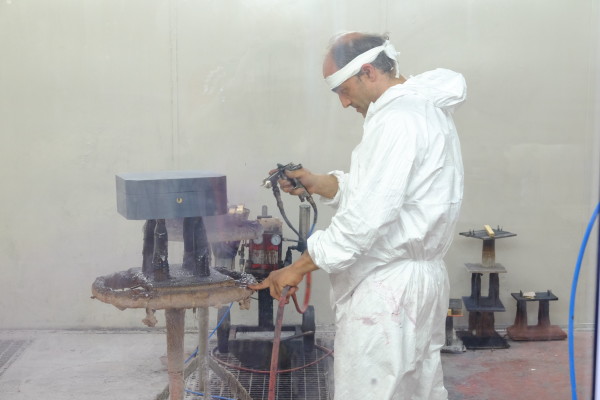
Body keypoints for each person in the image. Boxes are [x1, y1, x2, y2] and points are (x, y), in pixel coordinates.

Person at [249, 32, 466, 400]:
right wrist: (318, 183)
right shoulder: (422, 109)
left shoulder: (396, 121)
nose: (344, 102)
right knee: (414, 390)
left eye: (344, 90)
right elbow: (387, 196)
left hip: (388, 293)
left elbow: (364, 222)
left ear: (368, 72)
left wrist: (296, 269)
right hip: (417, 284)